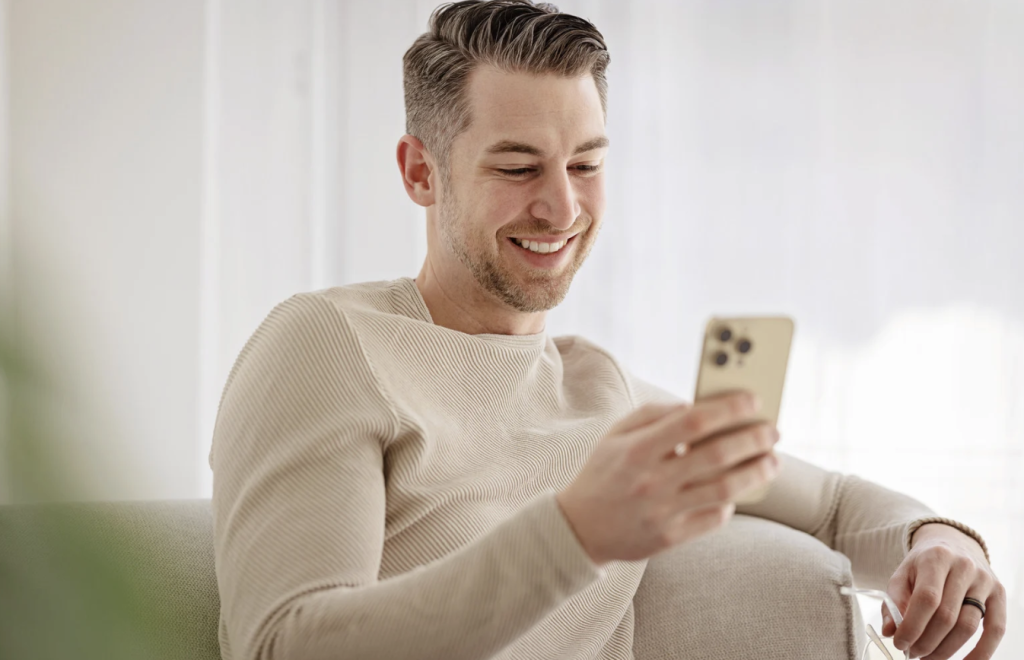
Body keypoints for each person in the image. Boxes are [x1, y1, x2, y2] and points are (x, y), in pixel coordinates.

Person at [208, 2, 1006, 659]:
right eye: (518, 168)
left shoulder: (600, 392)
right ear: (421, 170)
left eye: (586, 164)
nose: (561, 208)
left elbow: (832, 505)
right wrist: (577, 531)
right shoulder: (327, 345)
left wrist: (939, 542)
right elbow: (286, 644)